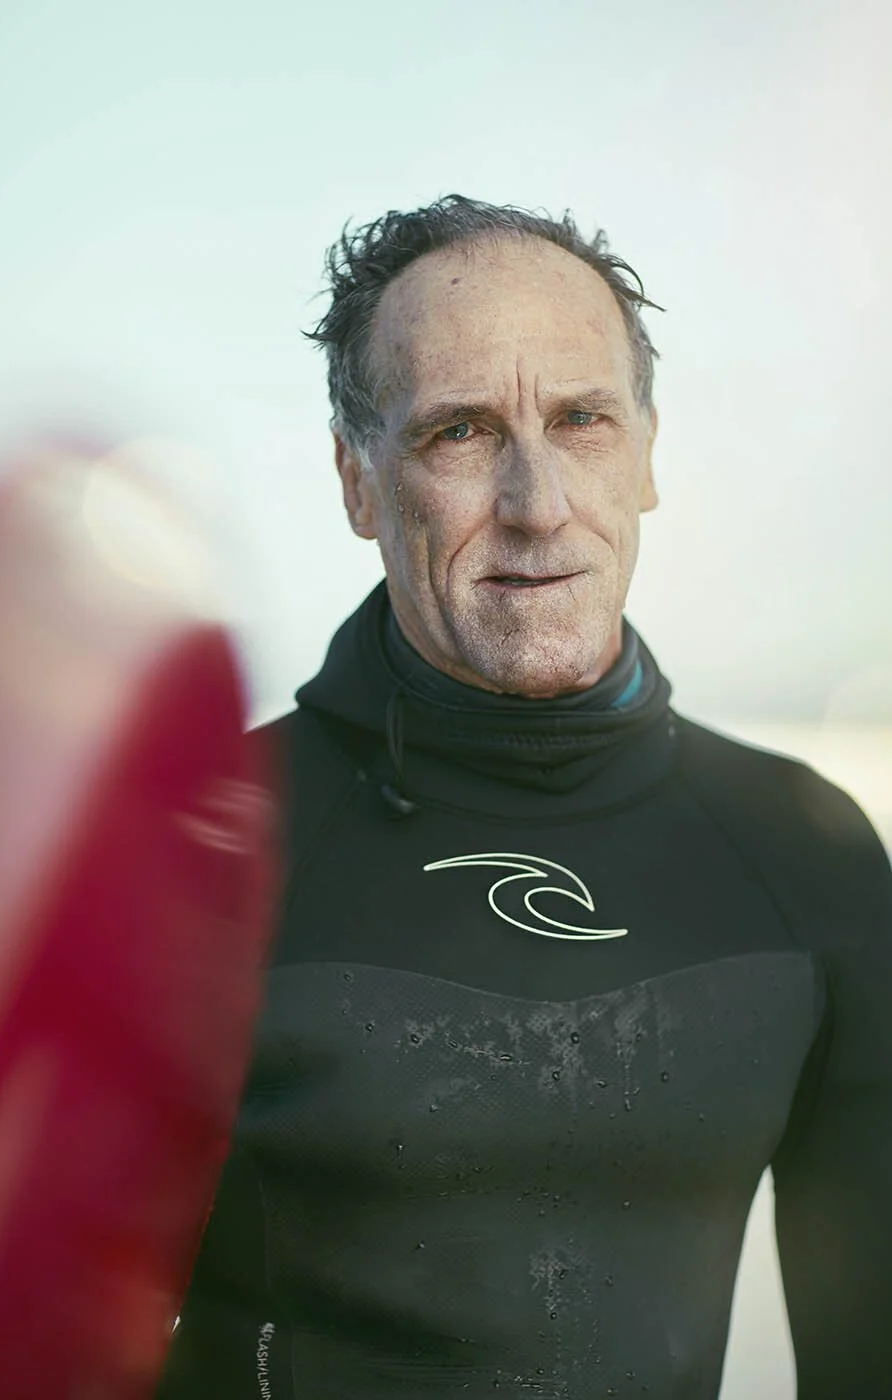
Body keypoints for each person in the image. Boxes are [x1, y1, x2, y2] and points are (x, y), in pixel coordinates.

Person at [156, 195, 892, 1400]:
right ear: (356, 479)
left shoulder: (800, 853)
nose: (536, 502)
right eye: (460, 431)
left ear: (647, 451)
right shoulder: (197, 848)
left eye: (581, 418)